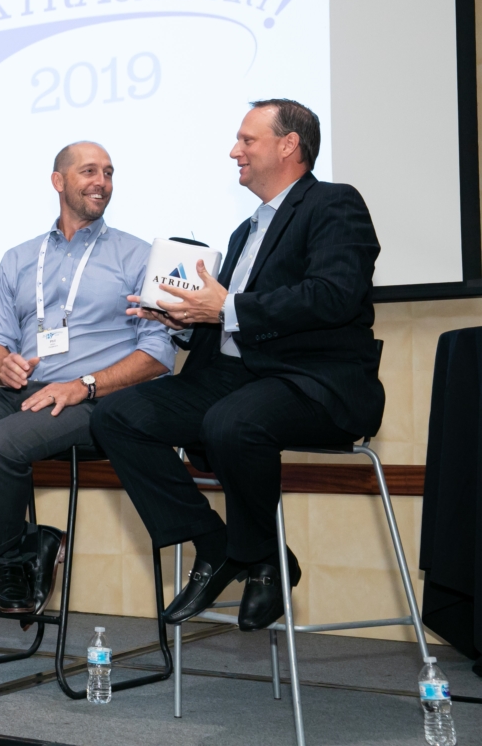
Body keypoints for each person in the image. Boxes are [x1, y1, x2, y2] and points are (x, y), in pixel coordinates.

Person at [90, 99, 383, 632]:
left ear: (289, 144)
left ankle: (261, 559)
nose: (235, 151)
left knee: (233, 422)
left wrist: (224, 307)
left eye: (247, 140)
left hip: (310, 379)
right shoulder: (244, 233)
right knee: (116, 415)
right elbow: (226, 319)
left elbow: (333, 295)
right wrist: (181, 319)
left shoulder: (334, 205)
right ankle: (222, 545)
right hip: (233, 377)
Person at [0, 142, 176, 616]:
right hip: (21, 393)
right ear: (58, 181)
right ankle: (22, 543)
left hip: (96, 402)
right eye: (89, 171)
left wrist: (83, 385)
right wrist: (1, 361)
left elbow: (157, 354)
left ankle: (11, 559)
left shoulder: (138, 255)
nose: (101, 182)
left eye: (108, 172)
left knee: (0, 444)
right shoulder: (19, 259)